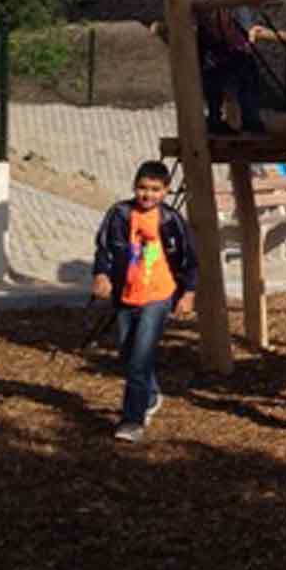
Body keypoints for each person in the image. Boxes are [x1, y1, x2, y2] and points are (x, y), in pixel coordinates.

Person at [91, 161, 197, 444]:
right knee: (127, 355)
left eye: (155, 190)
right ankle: (150, 396)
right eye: (142, 188)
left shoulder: (171, 221)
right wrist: (102, 274)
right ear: (133, 187)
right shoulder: (120, 214)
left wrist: (187, 293)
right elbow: (104, 248)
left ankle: (132, 420)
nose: (147, 195)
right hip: (127, 294)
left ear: (166, 191)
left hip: (158, 296)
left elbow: (189, 260)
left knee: (140, 359)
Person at [192, 0, 266, 134]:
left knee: (216, 74)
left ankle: (215, 119)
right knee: (247, 71)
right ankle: (252, 122)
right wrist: (247, 26)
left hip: (209, 32)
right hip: (227, 31)